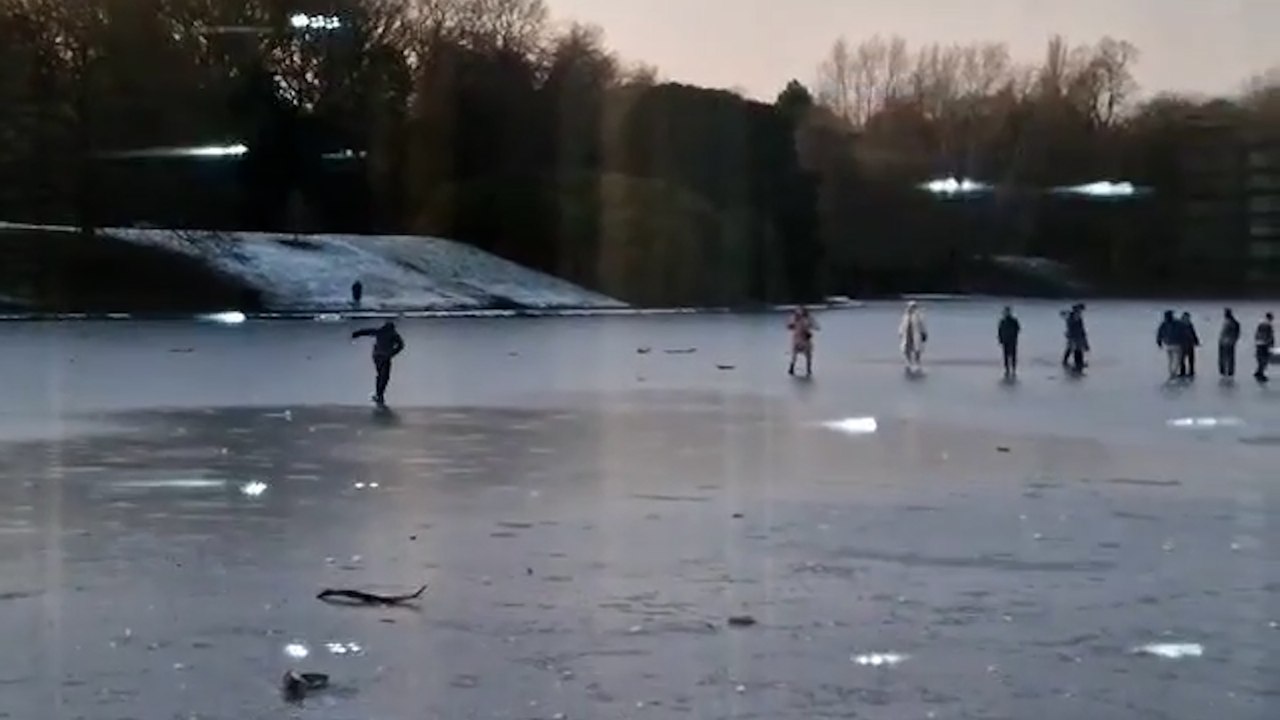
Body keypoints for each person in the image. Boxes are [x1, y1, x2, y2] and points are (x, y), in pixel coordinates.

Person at [352, 321, 405, 406]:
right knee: (385, 376)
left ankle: (378, 394)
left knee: (380, 375)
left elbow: (366, 331)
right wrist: (392, 353)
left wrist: (355, 334)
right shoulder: (394, 335)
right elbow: (401, 345)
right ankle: (380, 394)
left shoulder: (380, 331)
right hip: (385, 357)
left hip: (377, 356)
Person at [787, 307, 818, 377]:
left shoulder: (802, 319)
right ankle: (806, 370)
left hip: (801, 340)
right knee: (806, 355)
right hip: (801, 340)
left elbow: (816, 326)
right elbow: (816, 326)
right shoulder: (801, 319)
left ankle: (795, 369)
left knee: (800, 355)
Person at [899, 301, 928, 372]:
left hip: (916, 335)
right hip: (907, 335)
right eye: (910, 307)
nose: (911, 308)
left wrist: (924, 333)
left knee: (917, 349)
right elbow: (902, 325)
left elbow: (922, 325)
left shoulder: (918, 316)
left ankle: (917, 362)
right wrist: (900, 333)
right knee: (906, 349)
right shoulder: (905, 316)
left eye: (913, 307)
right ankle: (908, 362)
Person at [1157, 310, 1181, 379]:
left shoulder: (1163, 324)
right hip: (1177, 344)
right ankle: (1174, 372)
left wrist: (1159, 342)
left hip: (1168, 344)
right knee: (1177, 360)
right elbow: (1183, 332)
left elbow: (1159, 333)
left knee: (1171, 359)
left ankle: (1171, 372)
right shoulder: (1178, 323)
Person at [1065, 303, 1089, 374]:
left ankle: (1079, 363)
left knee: (1077, 349)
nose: (1081, 312)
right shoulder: (1072, 317)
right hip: (1073, 336)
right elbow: (1072, 327)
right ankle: (1075, 364)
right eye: (1080, 310)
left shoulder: (1077, 317)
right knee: (1073, 349)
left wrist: (1083, 336)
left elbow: (1081, 328)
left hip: (1077, 336)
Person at [997, 306, 1021, 378]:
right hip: (1005, 341)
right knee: (1006, 356)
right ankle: (1007, 369)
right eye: (1005, 312)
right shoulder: (1002, 321)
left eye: (1007, 312)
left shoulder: (1014, 321)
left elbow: (1018, 329)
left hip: (1012, 340)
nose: (1006, 313)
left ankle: (1013, 369)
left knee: (1013, 355)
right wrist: (1000, 339)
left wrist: (1014, 335)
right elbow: (1000, 331)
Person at [1219, 308, 1240, 378]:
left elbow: (1225, 333)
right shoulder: (1234, 322)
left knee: (1224, 357)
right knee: (1230, 358)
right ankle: (1229, 371)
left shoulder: (1229, 322)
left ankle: (1224, 371)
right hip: (1230, 342)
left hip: (1225, 342)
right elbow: (1237, 333)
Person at [1177, 312, 1200, 378]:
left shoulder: (1189, 324)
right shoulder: (1181, 325)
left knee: (1189, 359)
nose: (1188, 319)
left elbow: (1193, 333)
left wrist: (1196, 341)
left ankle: (1189, 371)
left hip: (1189, 344)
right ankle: (1185, 371)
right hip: (1184, 344)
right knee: (1183, 359)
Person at [1255, 312, 1275, 383]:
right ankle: (1261, 373)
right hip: (1265, 344)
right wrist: (1271, 344)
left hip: (1258, 343)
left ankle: (1258, 371)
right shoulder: (1268, 325)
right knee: (1264, 359)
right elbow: (1270, 335)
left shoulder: (1260, 323)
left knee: (1260, 358)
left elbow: (1257, 333)